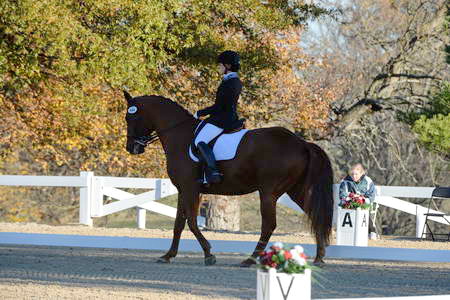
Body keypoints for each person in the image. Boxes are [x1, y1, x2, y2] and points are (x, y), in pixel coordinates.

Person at [193, 50, 243, 185]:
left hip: (223, 119)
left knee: (200, 140)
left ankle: (213, 172)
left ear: (227, 65)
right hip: (223, 117)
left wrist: (200, 112)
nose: (218, 67)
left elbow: (219, 106)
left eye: (220, 65)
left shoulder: (232, 82)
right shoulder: (231, 80)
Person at [339, 163, 378, 238]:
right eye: (352, 174)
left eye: (356, 174)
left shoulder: (368, 181)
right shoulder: (345, 182)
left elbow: (371, 196)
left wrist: (362, 199)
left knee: (362, 210)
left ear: (361, 173)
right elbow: (342, 195)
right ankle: (348, 232)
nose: (354, 176)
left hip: (364, 203)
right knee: (352, 208)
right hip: (348, 204)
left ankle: (372, 231)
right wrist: (352, 198)